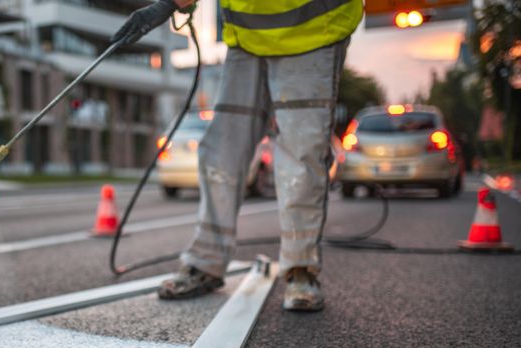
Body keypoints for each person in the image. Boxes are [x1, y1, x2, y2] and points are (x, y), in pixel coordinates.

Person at [113, 0, 363, 311]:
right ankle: (205, 263)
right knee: (220, 152)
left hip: (313, 33)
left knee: (301, 157)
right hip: (246, 39)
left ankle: (301, 270)